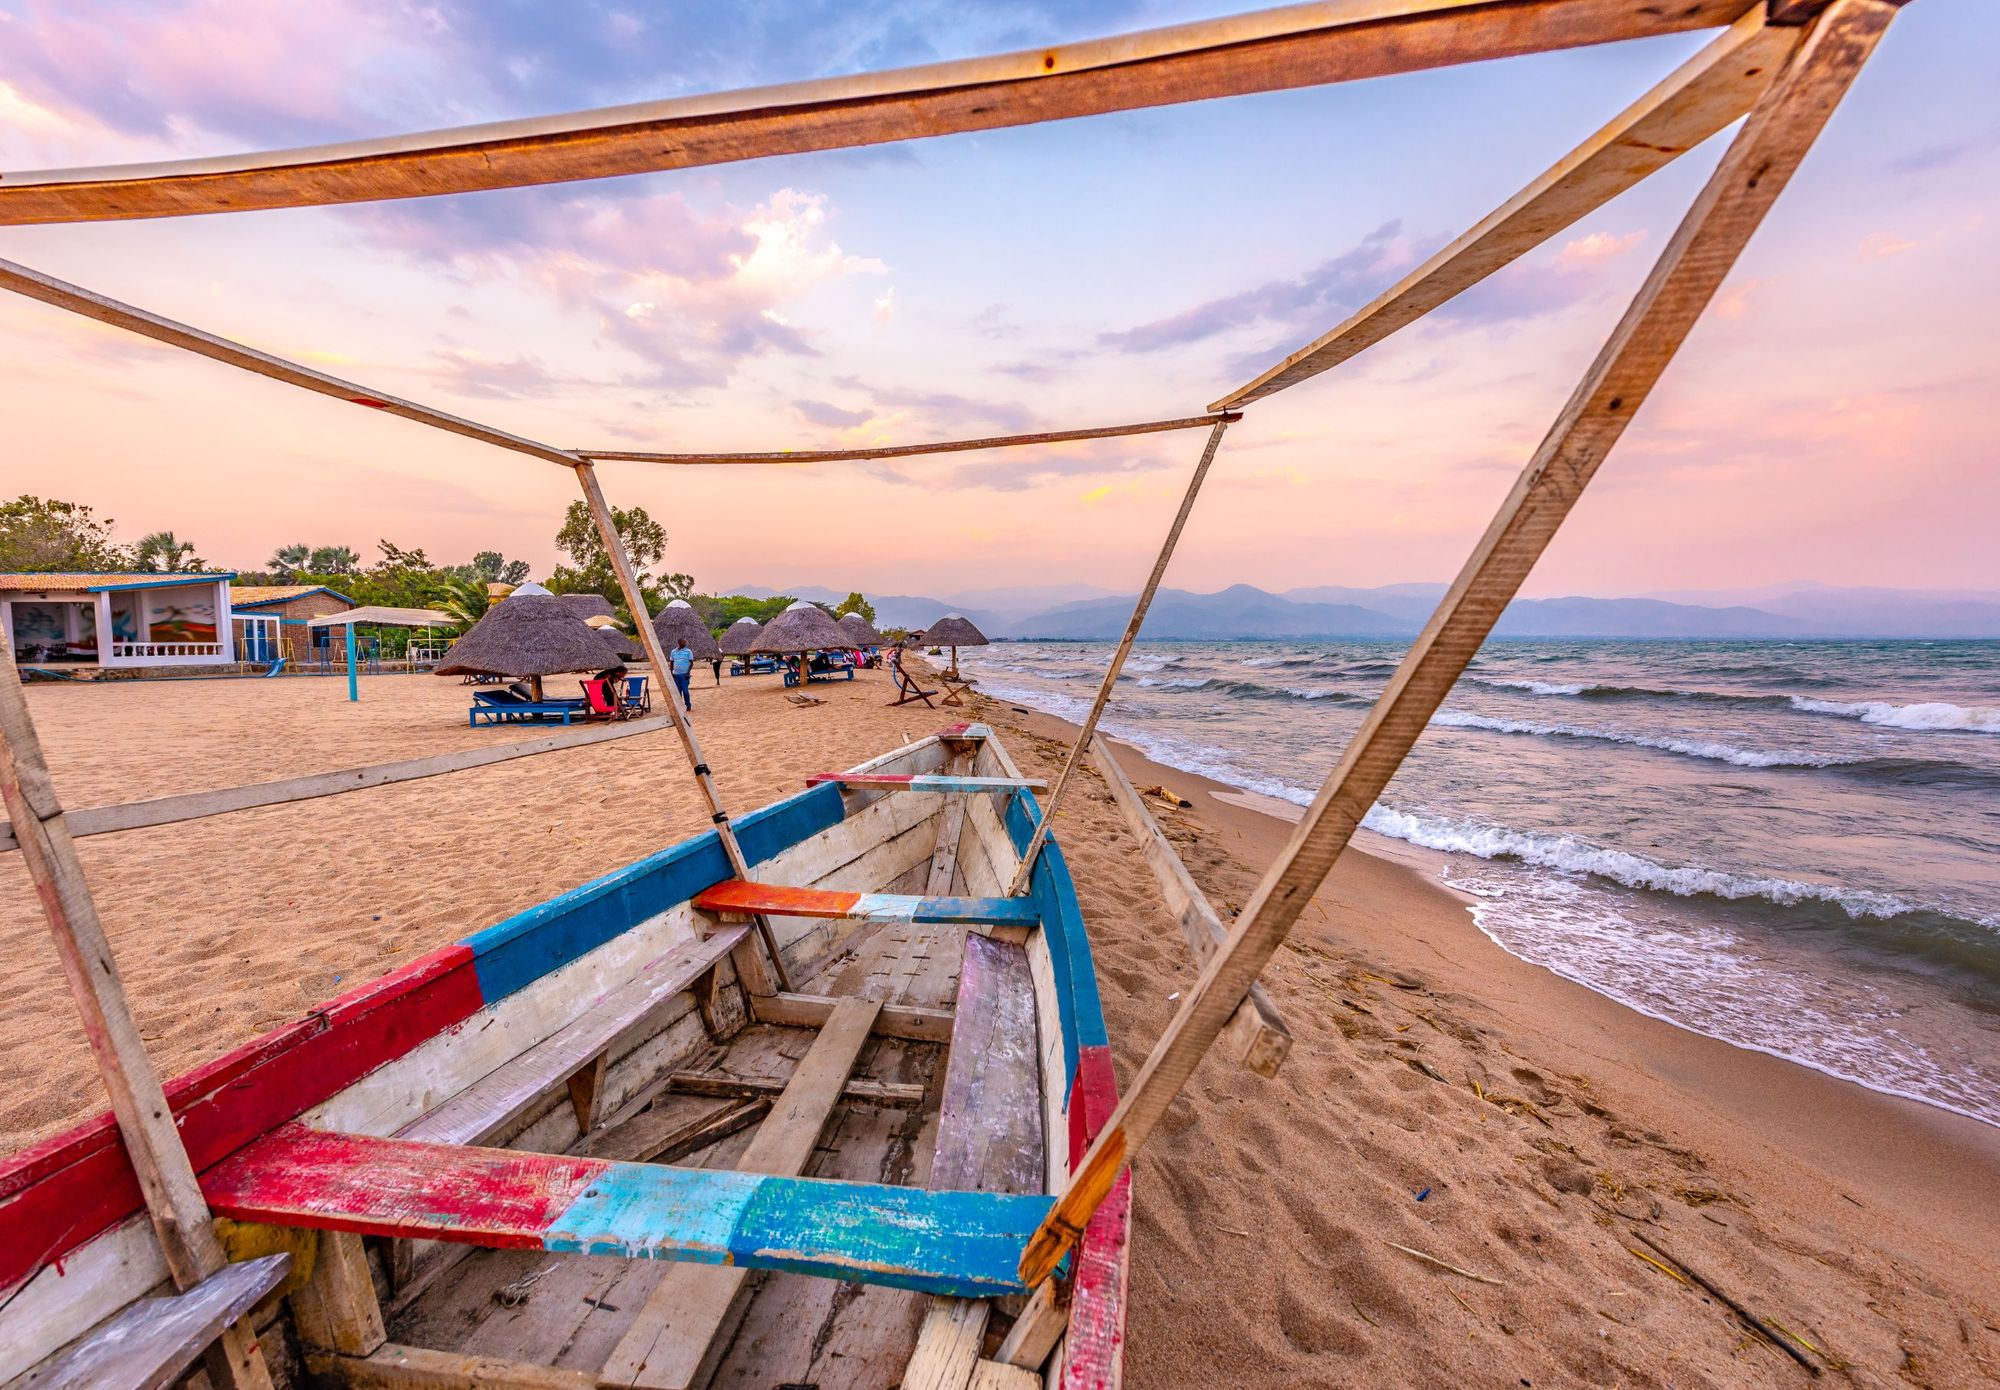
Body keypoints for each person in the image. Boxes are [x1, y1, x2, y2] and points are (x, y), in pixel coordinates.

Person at [669, 638, 695, 711]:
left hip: (684, 675)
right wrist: (671, 672)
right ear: (679, 643)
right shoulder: (673, 651)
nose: (686, 643)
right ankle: (679, 706)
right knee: (678, 692)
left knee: (685, 691)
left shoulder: (688, 651)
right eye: (684, 642)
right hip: (676, 675)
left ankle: (688, 705)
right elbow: (671, 662)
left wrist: (688, 673)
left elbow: (691, 663)